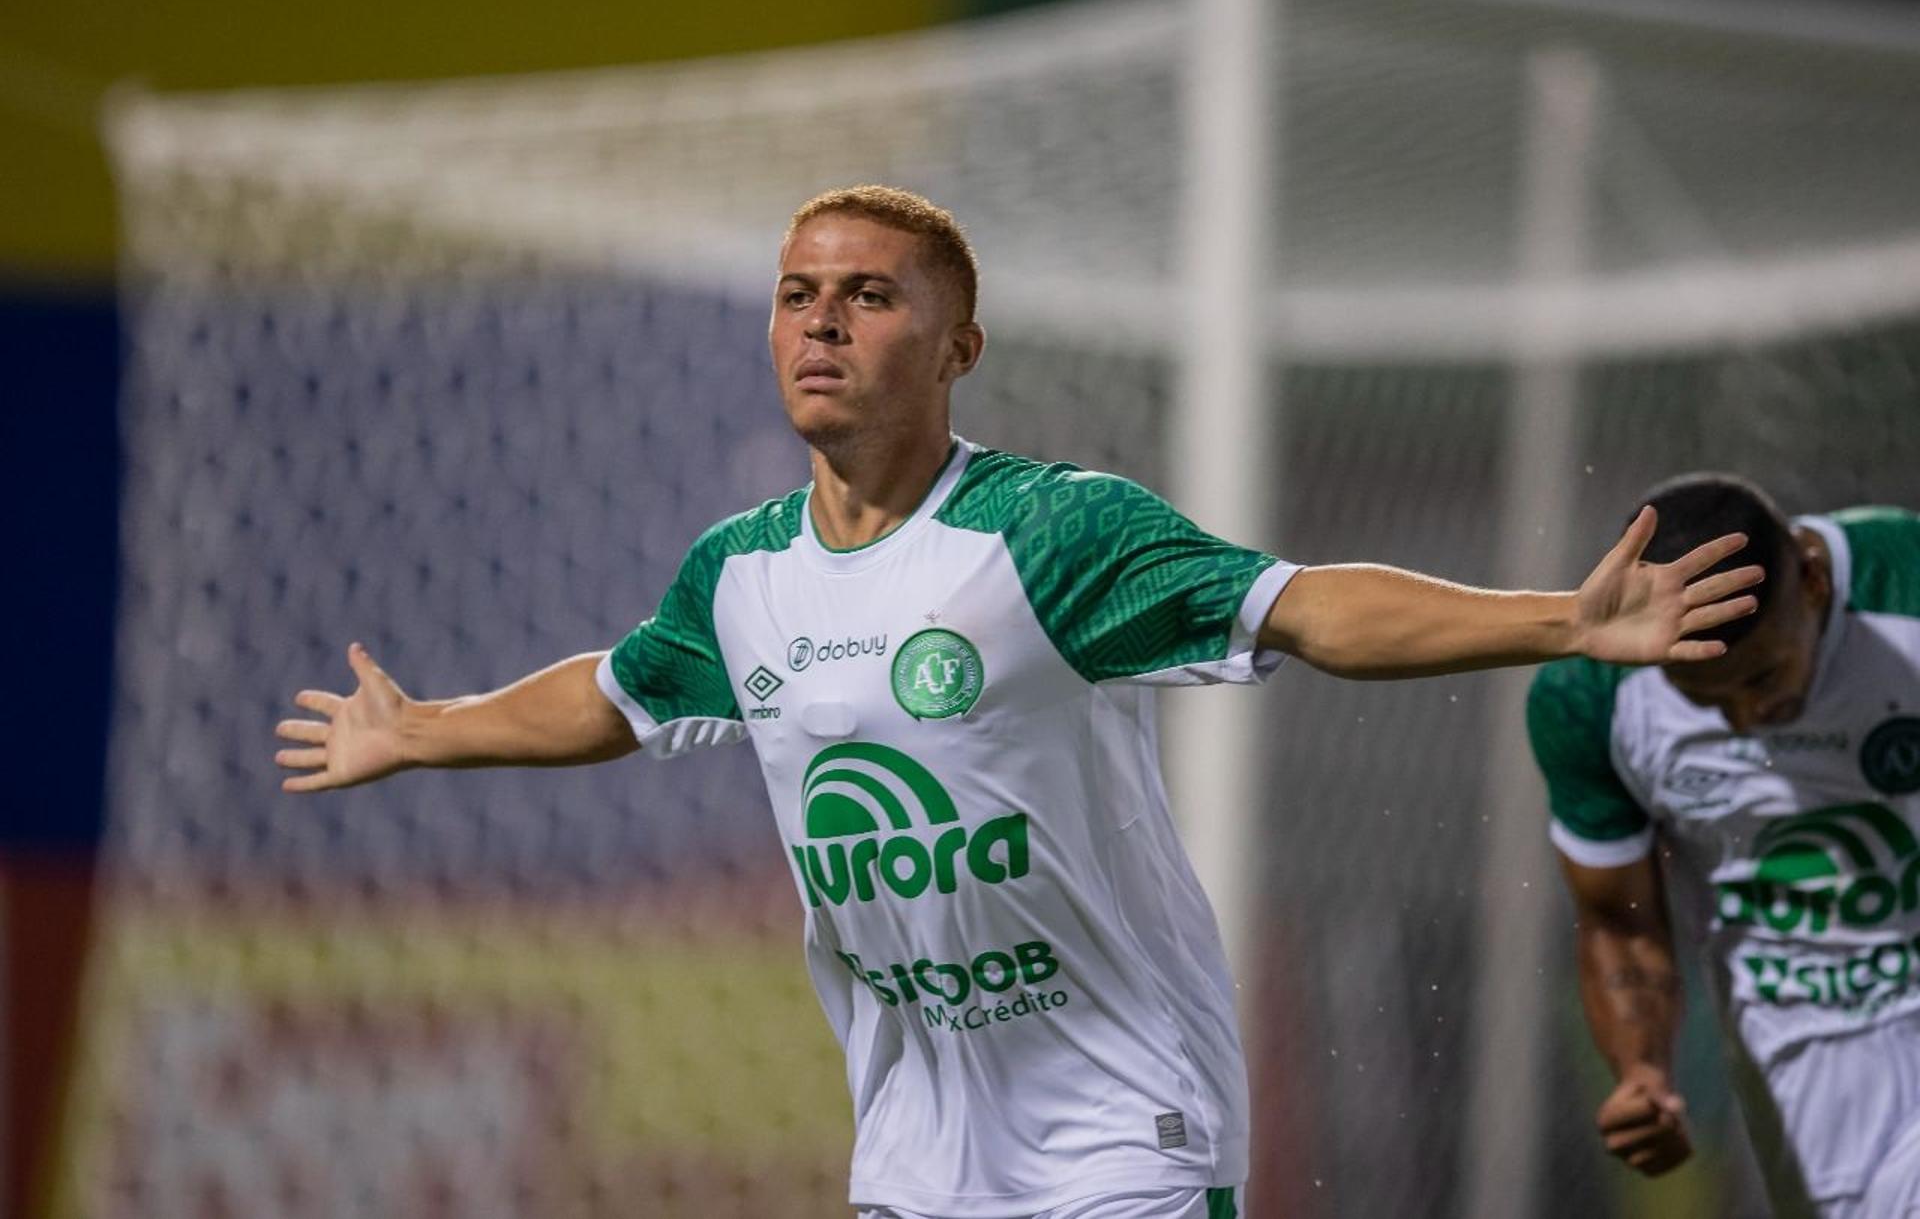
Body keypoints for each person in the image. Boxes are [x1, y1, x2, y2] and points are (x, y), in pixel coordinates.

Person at [277, 185, 1758, 1219]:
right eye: (798, 295)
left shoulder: (1053, 532)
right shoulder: (737, 575)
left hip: (1125, 1127)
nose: (823, 323)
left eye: (869, 296)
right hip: (918, 1148)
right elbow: (616, 696)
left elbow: (1307, 607)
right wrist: (423, 730)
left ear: (960, 346)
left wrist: (1561, 619)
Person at [1529, 474, 1920, 1218]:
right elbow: (1621, 919)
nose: (1748, 720)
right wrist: (1643, 1071)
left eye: (1766, 675)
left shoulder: (1905, 588)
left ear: (1812, 576)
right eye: (1705, 696)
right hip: (1801, 1058)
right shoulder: (1591, 696)